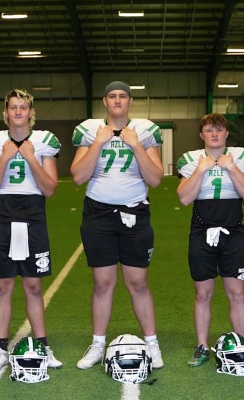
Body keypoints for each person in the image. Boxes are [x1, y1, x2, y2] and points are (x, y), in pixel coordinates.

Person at [70, 81, 165, 369]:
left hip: (135, 211)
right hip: (98, 213)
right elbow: (77, 176)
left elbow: (156, 178)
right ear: (104, 101)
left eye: (123, 95)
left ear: (130, 101)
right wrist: (98, 142)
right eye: (112, 95)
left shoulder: (145, 130)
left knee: (137, 282)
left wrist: (136, 144)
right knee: (102, 284)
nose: (118, 100)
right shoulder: (90, 130)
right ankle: (98, 344)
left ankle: (152, 343)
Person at [0, 89, 63, 372]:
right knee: (3, 286)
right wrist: (4, 158)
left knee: (33, 285)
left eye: (22, 107)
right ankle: (1, 348)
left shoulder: (43, 142)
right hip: (2, 213)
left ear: (30, 112)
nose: (17, 112)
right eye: (13, 107)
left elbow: (50, 189)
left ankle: (43, 345)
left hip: (33, 215)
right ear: (6, 113)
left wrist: (30, 158)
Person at [175, 113, 244, 367]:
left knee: (236, 292)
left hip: (233, 232)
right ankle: (202, 346)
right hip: (201, 232)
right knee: (203, 293)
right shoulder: (191, 160)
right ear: (201, 135)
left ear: (226, 133)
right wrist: (200, 170)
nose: (214, 134)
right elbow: (184, 198)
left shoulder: (241, 156)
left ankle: (240, 345)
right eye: (209, 130)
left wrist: (231, 167)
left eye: (219, 129)